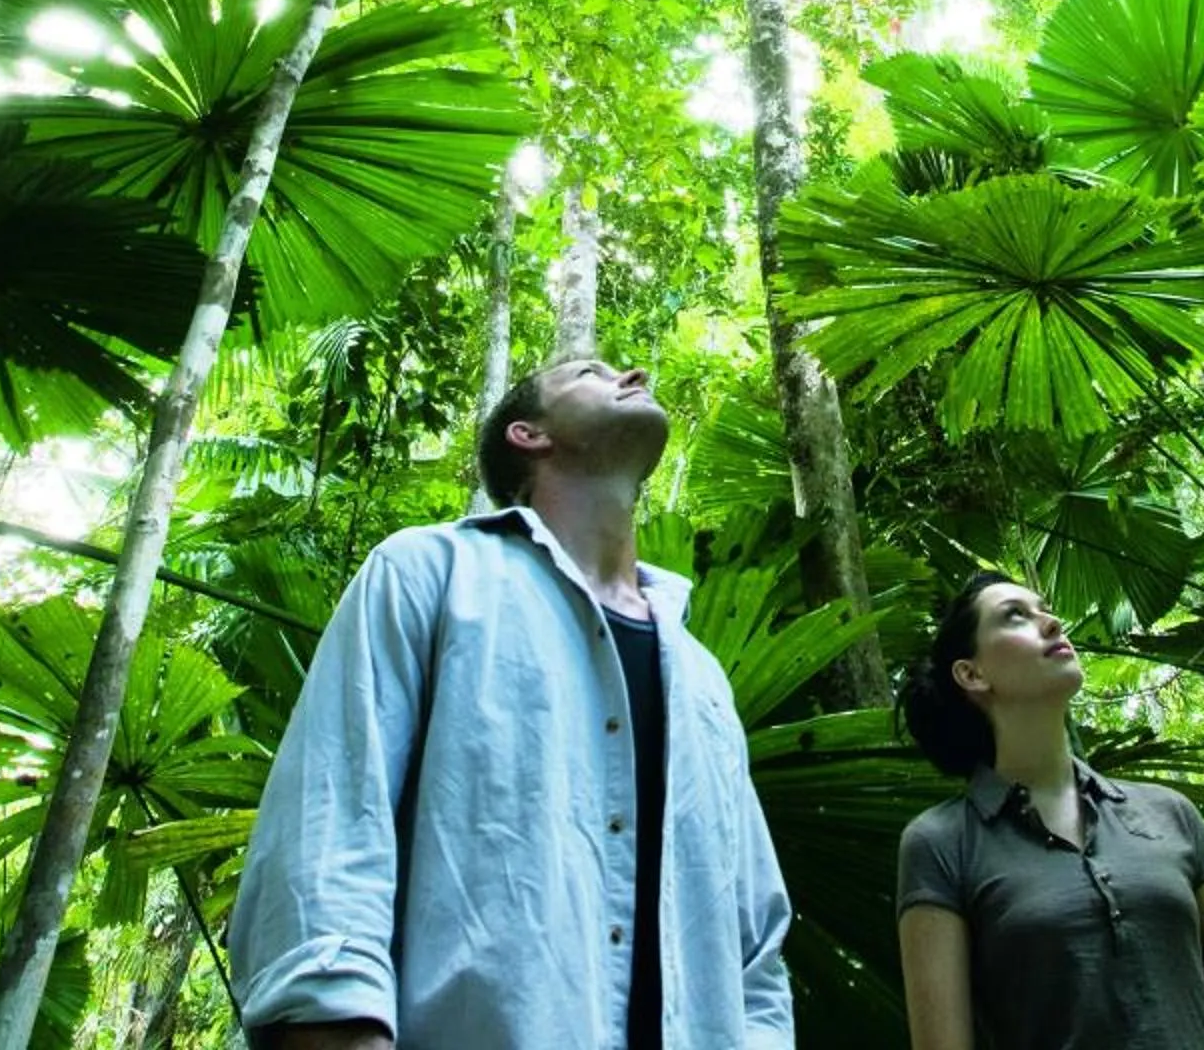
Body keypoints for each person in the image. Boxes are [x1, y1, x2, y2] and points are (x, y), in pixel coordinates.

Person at [228, 354, 795, 1050]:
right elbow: (333, 811)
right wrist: (334, 1024)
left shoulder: (702, 676)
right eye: (591, 372)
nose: (634, 374)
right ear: (528, 434)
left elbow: (755, 933)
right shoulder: (429, 573)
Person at [895, 572, 1204, 1050]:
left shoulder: (1171, 815)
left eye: (1044, 608)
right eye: (1016, 616)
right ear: (972, 674)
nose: (1051, 623)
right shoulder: (942, 843)